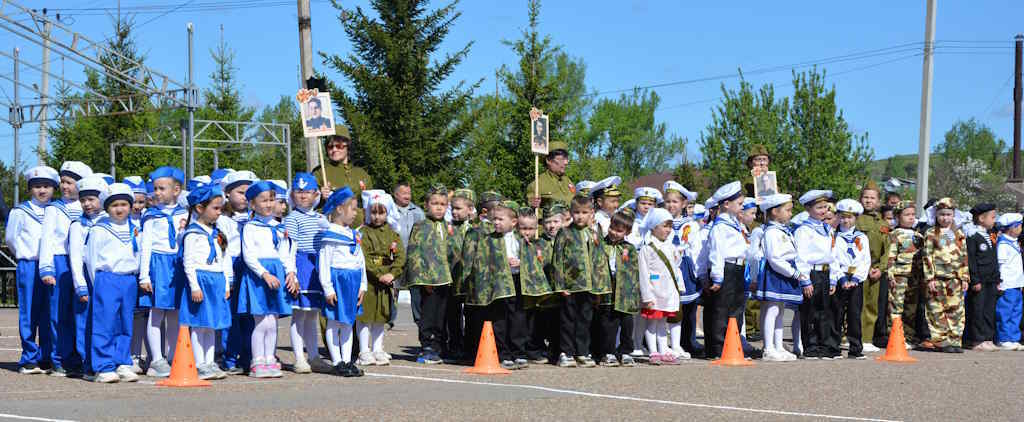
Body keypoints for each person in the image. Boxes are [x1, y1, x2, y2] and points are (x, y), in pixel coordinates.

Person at [38, 161, 92, 376]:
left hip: (81, 263)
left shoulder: (87, 207)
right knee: (58, 313)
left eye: (70, 182)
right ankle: (59, 358)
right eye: (63, 182)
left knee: (80, 312)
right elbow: (47, 239)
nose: (65, 186)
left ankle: (79, 356)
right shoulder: (54, 209)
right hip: (60, 262)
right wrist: (46, 268)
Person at [238, 181, 297, 378]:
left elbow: (286, 254)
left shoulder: (279, 228)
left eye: (272, 199)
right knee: (261, 321)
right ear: (253, 205)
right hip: (259, 277)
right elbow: (248, 255)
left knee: (273, 321)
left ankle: (270, 358)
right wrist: (264, 273)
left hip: (277, 275)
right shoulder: (250, 227)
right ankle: (257, 360)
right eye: (263, 201)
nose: (269, 204)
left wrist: (290, 273)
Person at [85, 183, 141, 383]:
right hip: (106, 278)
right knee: (105, 323)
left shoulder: (135, 228)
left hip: (129, 279)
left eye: (124, 204)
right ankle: (103, 365)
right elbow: (91, 258)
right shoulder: (99, 228)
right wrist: (97, 283)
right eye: (114, 205)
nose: (119, 209)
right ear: (107, 208)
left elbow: (139, 254)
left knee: (126, 323)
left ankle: (122, 362)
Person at [6, 166, 59, 374]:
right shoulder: (20, 211)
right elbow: (11, 238)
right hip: (29, 264)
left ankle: (46, 355)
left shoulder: (56, 210)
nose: (42, 191)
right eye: (37, 187)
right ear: (30, 189)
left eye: (46, 186)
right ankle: (28, 357)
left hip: (51, 265)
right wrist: (23, 253)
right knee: (29, 311)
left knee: (48, 311)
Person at [138, 166, 188, 378]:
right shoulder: (151, 216)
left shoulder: (185, 214)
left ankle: (172, 355)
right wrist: (144, 275)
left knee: (175, 313)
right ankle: (156, 359)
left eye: (162, 188)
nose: (157, 193)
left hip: (177, 265)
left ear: (176, 190)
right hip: (158, 265)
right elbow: (145, 246)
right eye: (155, 189)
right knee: (156, 312)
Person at [178, 185, 232, 380]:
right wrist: (194, 286)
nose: (219, 212)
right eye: (215, 208)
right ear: (200, 208)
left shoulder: (217, 232)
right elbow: (188, 262)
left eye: (220, 209)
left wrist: (226, 284)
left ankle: (210, 362)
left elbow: (225, 258)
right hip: (201, 280)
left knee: (212, 325)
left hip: (216, 280)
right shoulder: (193, 233)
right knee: (199, 324)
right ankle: (199, 363)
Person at [460, 200, 521, 368]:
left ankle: (513, 352)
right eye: (494, 219)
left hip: (513, 284)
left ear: (513, 222)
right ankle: (501, 354)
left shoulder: (517, 238)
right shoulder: (489, 238)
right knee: (497, 321)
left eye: (500, 219)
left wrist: (520, 262)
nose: (496, 223)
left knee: (512, 320)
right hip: (496, 287)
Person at [318, 187, 367, 377]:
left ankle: (347, 360)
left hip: (353, 282)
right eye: (353, 209)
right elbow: (324, 263)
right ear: (339, 209)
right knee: (334, 322)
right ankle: (337, 360)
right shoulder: (330, 234)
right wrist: (328, 288)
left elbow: (360, 260)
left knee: (348, 322)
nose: (356, 213)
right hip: (337, 281)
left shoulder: (353, 234)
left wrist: (362, 285)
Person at [282, 173, 328, 373]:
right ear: (292, 195)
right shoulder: (292, 218)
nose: (303, 196)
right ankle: (299, 357)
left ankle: (314, 355)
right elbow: (289, 246)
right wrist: (290, 271)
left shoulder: (321, 218)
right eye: (298, 192)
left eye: (307, 192)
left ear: (315, 194)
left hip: (316, 265)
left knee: (312, 315)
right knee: (299, 314)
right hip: (300, 263)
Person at [403, 184, 453, 364]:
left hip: (445, 280)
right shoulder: (421, 226)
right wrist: (423, 280)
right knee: (428, 315)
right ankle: (428, 347)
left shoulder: (448, 227)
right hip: (428, 281)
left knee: (442, 315)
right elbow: (415, 254)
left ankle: (440, 346)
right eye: (434, 203)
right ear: (426, 205)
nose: (439, 207)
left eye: (443, 204)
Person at [753, 193, 805, 362]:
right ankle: (768, 348)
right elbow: (774, 258)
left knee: (780, 310)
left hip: (785, 271)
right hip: (777, 273)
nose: (791, 213)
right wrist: (794, 273)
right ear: (775, 212)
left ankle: (778, 345)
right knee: (772, 309)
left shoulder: (783, 230)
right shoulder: (771, 232)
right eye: (788, 210)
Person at [356, 190, 404, 366]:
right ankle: (364, 350)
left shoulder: (392, 234)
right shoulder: (364, 232)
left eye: (381, 212)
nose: (377, 217)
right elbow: (364, 256)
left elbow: (400, 256)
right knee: (365, 316)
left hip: (387, 279)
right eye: (374, 212)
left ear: (387, 212)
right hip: (369, 279)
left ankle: (378, 348)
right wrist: (378, 274)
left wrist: (393, 273)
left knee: (381, 315)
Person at [67, 176, 109, 376]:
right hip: (85, 277)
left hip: (105, 277)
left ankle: (106, 359)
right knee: (84, 321)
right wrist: (80, 284)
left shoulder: (109, 222)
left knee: (105, 320)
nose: (87, 204)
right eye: (83, 200)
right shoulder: (77, 225)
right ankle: (87, 362)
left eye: (92, 199)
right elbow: (75, 257)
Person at [552, 194, 600, 368]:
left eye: (584, 212)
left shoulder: (593, 232)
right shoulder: (564, 233)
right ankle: (566, 352)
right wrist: (560, 285)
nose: (580, 216)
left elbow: (598, 258)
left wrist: (599, 286)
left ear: (591, 213)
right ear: (571, 212)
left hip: (588, 286)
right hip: (570, 286)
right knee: (568, 320)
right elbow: (557, 260)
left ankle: (582, 352)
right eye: (576, 212)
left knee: (584, 321)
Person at [217, 170, 257, 375]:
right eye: (240, 192)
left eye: (249, 193)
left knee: (250, 313)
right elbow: (222, 247)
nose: (245, 197)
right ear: (227, 194)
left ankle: (250, 355)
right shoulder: (223, 219)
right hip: (231, 266)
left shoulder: (255, 218)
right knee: (231, 314)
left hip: (251, 267)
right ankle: (230, 356)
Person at [703, 181, 747, 360]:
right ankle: (718, 347)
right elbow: (717, 253)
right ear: (726, 205)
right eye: (739, 204)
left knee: (736, 309)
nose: (742, 207)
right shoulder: (720, 226)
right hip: (726, 270)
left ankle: (733, 345)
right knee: (721, 309)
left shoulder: (736, 225)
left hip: (737, 269)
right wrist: (718, 277)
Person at [920, 198, 969, 353]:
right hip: (938, 278)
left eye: (948, 214)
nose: (945, 218)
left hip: (955, 279)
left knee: (956, 310)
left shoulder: (958, 233)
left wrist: (965, 277)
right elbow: (927, 256)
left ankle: (955, 340)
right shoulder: (930, 233)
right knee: (937, 310)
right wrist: (930, 278)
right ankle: (941, 341)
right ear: (936, 215)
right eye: (942, 214)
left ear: (953, 215)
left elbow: (964, 256)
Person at [638, 208, 684, 365]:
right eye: (664, 226)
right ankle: (653, 351)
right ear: (654, 227)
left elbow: (674, 269)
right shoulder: (647, 247)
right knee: (652, 323)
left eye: (670, 226)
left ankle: (664, 349)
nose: (668, 230)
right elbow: (643, 274)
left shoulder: (670, 246)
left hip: (667, 292)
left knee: (662, 323)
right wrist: (647, 296)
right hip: (654, 292)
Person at [794, 190, 837, 359]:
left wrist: (833, 278)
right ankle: (810, 346)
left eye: (825, 207)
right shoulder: (804, 230)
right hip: (811, 273)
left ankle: (824, 345)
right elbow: (801, 256)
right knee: (810, 312)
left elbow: (832, 255)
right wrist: (805, 280)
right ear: (808, 208)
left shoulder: (827, 228)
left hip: (825, 272)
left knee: (824, 311)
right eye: (819, 207)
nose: (823, 211)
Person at [662, 181, 699, 356]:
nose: (671, 205)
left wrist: (698, 271)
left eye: (675, 202)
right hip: (666, 267)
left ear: (683, 204)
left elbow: (696, 248)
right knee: (669, 307)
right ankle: (666, 343)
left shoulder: (690, 224)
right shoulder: (659, 222)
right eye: (668, 201)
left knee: (688, 308)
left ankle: (685, 342)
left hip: (685, 268)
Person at [831, 199, 869, 359]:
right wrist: (840, 278)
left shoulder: (861, 238)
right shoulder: (833, 236)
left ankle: (855, 347)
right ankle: (833, 347)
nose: (846, 221)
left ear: (856, 218)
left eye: (850, 217)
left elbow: (865, 260)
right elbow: (832, 258)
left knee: (854, 314)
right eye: (843, 217)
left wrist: (856, 279)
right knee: (836, 313)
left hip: (856, 279)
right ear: (838, 217)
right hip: (839, 276)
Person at [886, 200, 924, 349]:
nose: (911, 217)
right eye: (907, 214)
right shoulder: (894, 234)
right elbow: (890, 257)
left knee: (911, 309)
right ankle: (895, 337)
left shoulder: (918, 236)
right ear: (897, 216)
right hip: (899, 276)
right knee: (896, 308)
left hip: (914, 277)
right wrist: (890, 275)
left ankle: (908, 336)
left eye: (913, 214)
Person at [857, 181, 889, 353]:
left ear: (878, 201)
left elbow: (887, 250)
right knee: (856, 304)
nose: (868, 201)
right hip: (858, 268)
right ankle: (852, 336)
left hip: (875, 269)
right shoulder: (855, 219)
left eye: (872, 198)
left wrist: (881, 268)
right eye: (865, 197)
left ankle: (867, 338)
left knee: (872, 304)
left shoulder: (882, 224)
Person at [444, 188, 475, 360]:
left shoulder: (476, 228)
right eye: (453, 208)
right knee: (453, 315)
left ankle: (470, 346)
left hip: (470, 280)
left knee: (470, 314)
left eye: (459, 208)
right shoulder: (449, 229)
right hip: (452, 278)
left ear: (470, 210)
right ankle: (454, 345)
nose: (454, 212)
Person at [965, 203, 999, 351]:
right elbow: (971, 260)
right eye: (992, 217)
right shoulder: (973, 236)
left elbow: (993, 259)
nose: (994, 220)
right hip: (979, 280)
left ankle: (987, 337)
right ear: (981, 218)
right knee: (977, 309)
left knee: (988, 309)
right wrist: (975, 279)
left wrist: (997, 278)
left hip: (991, 280)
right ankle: (977, 339)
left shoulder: (991, 235)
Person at [313, 127, 373, 208]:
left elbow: (371, 203)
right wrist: (320, 197)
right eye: (330, 146)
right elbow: (306, 202)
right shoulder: (319, 172)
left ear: (348, 147)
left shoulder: (362, 174)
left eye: (338, 146)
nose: (334, 149)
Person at [392, 180, 425, 323]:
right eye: (404, 193)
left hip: (414, 259)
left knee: (416, 290)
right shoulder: (390, 211)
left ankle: (419, 320)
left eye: (409, 193)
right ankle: (390, 319)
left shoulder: (418, 212)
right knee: (393, 290)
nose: (407, 196)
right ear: (396, 194)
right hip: (394, 257)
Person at [995, 213, 1024, 351]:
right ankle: (1004, 338)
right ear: (1012, 228)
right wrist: (1000, 282)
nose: (1020, 229)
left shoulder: (1013, 242)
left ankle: (1013, 337)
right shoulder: (1003, 244)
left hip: (1017, 284)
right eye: (1019, 226)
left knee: (1016, 311)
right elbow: (1000, 265)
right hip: (1007, 285)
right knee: (1005, 312)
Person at [526, 141, 575, 208]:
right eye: (562, 159)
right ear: (548, 160)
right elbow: (531, 214)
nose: (566, 162)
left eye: (566, 159)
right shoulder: (537, 185)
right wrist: (532, 204)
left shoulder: (568, 182)